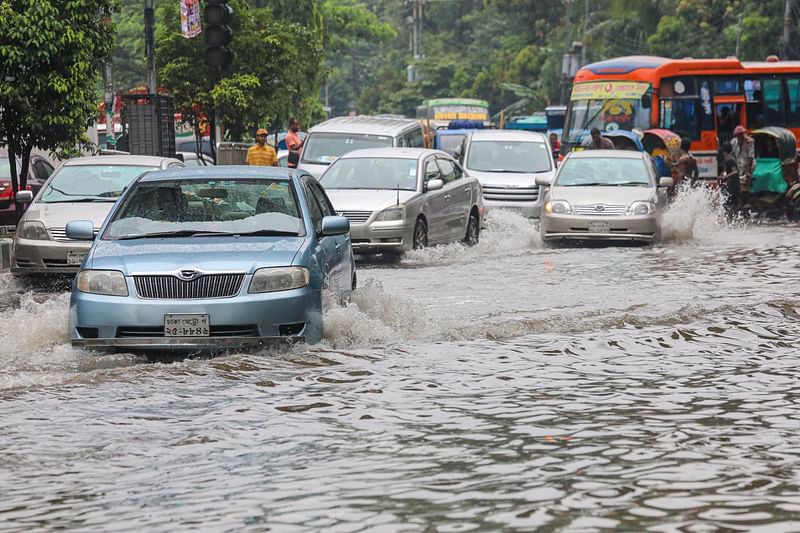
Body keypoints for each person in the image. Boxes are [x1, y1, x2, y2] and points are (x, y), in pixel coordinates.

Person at [717, 141, 740, 217]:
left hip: (733, 187)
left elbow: (735, 171)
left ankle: (732, 219)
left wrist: (725, 177)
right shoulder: (729, 160)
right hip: (732, 186)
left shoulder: (730, 160)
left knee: (729, 203)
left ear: (723, 151)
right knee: (729, 204)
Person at [731, 125, 754, 193]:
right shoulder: (733, 142)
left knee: (745, 179)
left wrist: (747, 171)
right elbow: (732, 155)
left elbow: (750, 157)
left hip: (748, 164)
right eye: (739, 135)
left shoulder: (750, 141)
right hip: (737, 164)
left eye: (742, 134)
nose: (741, 136)